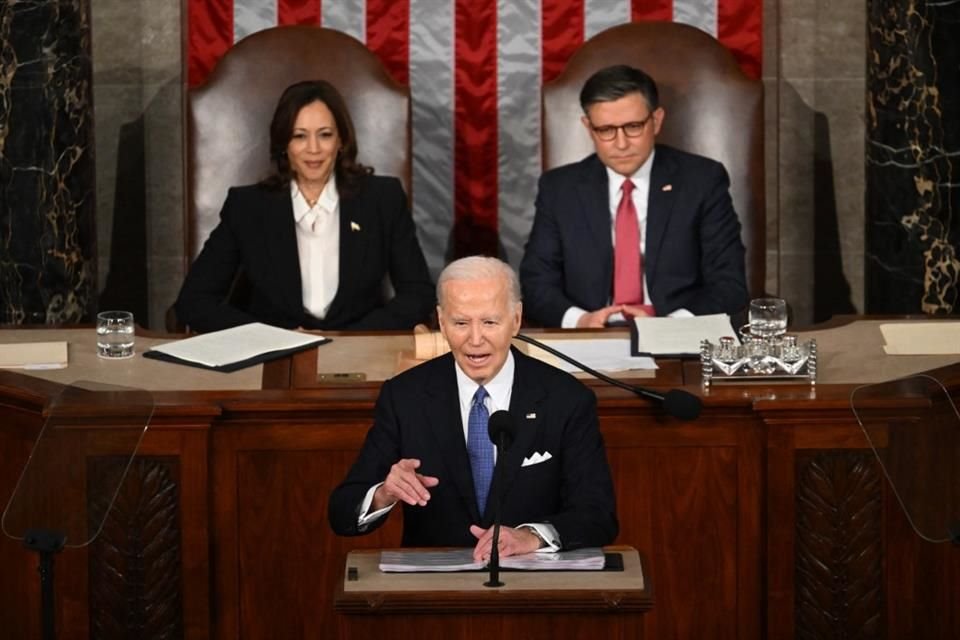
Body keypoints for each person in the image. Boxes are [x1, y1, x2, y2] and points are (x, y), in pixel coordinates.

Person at [328, 256, 617, 560]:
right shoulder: (404, 397)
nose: (475, 340)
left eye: (490, 322)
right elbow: (342, 513)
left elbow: (598, 515)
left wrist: (531, 536)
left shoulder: (566, 398)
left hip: (532, 587)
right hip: (434, 590)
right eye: (461, 323)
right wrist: (383, 493)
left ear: (516, 319)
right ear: (441, 321)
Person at [174, 80, 434, 333]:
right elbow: (194, 301)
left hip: (357, 355)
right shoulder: (247, 207)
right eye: (299, 136)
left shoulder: (382, 199)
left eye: (325, 135)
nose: (313, 149)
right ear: (284, 145)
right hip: (272, 358)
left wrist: (351, 339)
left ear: (341, 140)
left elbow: (418, 293)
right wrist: (271, 337)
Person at [519, 64, 749, 328]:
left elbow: (729, 283)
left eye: (633, 127)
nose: (621, 143)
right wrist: (580, 320)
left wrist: (670, 326)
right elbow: (536, 282)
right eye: (605, 130)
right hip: (589, 336)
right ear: (588, 127)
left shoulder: (702, 181)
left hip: (674, 333)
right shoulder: (560, 189)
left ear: (656, 120)